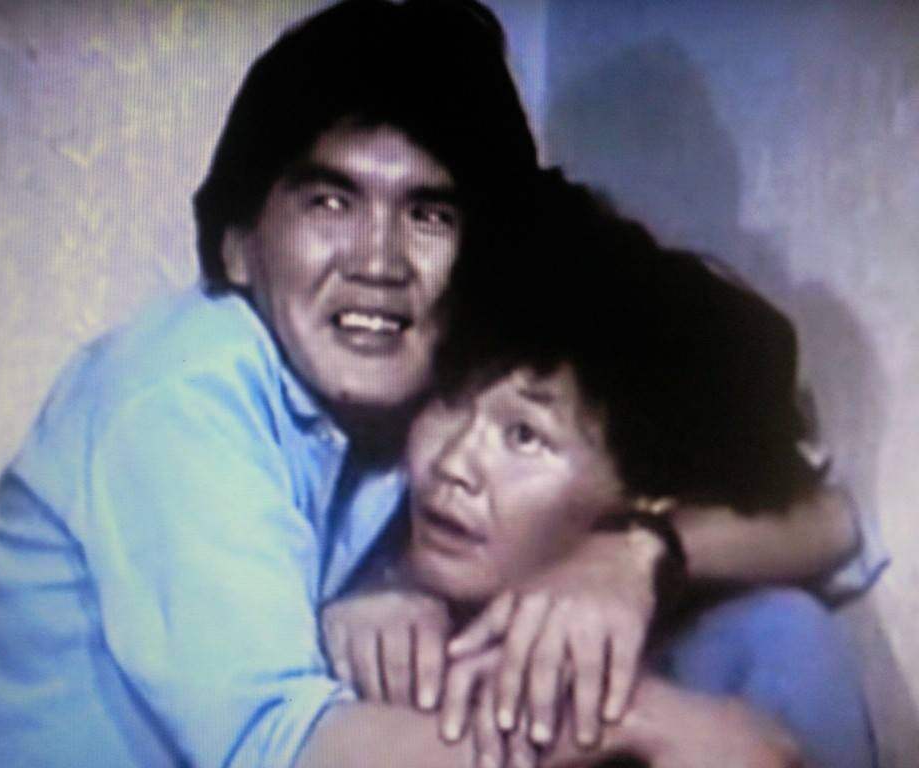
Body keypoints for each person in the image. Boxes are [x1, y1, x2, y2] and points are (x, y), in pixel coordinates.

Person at [0, 2, 879, 767]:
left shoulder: (408, 384)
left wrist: (634, 556)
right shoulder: (184, 388)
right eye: (330, 200)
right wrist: (654, 726)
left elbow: (832, 522)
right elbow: (277, 745)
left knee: (776, 631)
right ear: (238, 244)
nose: (377, 261)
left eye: (429, 214)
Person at [325, 175, 874, 767]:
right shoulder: (357, 560)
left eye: (524, 436)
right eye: (450, 400)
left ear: (643, 491)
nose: (453, 463)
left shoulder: (759, 645)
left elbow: (838, 521)